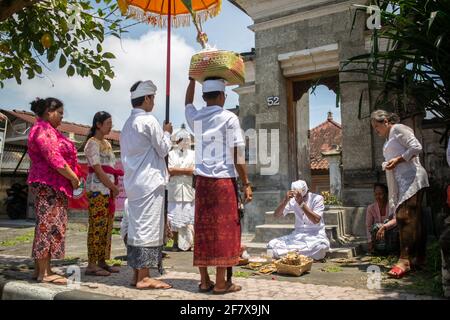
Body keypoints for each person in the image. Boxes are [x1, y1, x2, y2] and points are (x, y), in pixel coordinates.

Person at [185, 77, 253, 294]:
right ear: (222, 96)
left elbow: (187, 103)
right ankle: (222, 283)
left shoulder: (196, 117)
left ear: (204, 97)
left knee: (203, 230)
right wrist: (247, 183)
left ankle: (204, 281)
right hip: (223, 182)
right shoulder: (229, 117)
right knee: (226, 230)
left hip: (202, 183)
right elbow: (237, 155)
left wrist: (191, 80)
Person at [120, 80, 173, 290]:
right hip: (149, 182)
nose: (154, 103)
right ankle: (144, 276)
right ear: (148, 98)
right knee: (148, 229)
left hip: (134, 182)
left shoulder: (126, 124)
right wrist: (167, 131)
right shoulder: (149, 121)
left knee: (136, 227)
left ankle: (136, 274)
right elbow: (163, 149)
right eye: (153, 98)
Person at [27, 97, 80, 285]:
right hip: (48, 184)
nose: (62, 117)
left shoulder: (50, 130)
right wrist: (73, 177)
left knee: (49, 225)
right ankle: (44, 273)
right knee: (46, 226)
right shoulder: (42, 130)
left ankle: (42, 270)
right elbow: (54, 158)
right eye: (60, 113)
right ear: (49, 112)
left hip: (54, 185)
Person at [371, 110, 429, 278]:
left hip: (413, 177)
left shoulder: (399, 129)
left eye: (377, 126)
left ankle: (404, 260)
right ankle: (419, 258)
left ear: (386, 121)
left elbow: (416, 147)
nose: (376, 131)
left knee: (404, 216)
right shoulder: (389, 137)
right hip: (402, 180)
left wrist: (398, 160)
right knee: (415, 218)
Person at [84, 111, 123, 276]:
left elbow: (111, 168)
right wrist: (113, 187)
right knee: (97, 226)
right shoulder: (92, 144)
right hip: (97, 191)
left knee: (106, 227)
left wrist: (113, 187)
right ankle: (92, 264)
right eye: (108, 123)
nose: (111, 126)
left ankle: (102, 261)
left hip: (107, 191)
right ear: (98, 124)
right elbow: (99, 170)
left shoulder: (106, 143)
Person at [267, 180, 330, 261]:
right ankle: (296, 255)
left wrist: (301, 203)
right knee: (271, 245)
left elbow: (316, 220)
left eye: (302, 195)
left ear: (306, 191)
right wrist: (285, 200)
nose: (298, 196)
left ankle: (289, 255)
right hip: (297, 236)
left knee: (320, 248)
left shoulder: (317, 199)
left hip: (315, 236)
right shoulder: (292, 200)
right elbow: (276, 215)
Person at [167, 129, 195, 252]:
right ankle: (175, 242)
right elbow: (170, 170)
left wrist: (179, 171)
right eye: (181, 140)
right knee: (174, 217)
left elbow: (194, 170)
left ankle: (189, 243)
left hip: (188, 190)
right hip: (175, 190)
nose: (184, 142)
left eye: (186, 140)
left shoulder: (193, 154)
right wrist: (186, 171)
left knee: (188, 218)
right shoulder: (171, 154)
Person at [366, 183, 399, 254]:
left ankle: (392, 249)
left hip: (390, 235)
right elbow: (368, 226)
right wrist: (369, 242)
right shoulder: (371, 208)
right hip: (379, 237)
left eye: (381, 194)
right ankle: (379, 250)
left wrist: (384, 227)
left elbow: (396, 219)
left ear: (386, 194)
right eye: (376, 194)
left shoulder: (392, 206)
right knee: (375, 227)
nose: (378, 196)